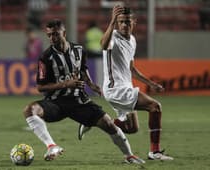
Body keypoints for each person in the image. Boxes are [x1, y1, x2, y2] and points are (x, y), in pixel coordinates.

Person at [23, 19, 145, 164]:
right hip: (55, 103)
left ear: (64, 33)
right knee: (30, 110)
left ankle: (129, 156)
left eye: (55, 34)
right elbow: (41, 87)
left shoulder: (79, 50)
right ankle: (52, 146)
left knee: (109, 124)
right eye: (49, 35)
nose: (52, 38)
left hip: (79, 102)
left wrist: (91, 84)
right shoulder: (46, 57)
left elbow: (82, 69)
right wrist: (66, 84)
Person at [78, 6, 174, 161]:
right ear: (117, 23)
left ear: (133, 22)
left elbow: (132, 69)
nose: (124, 25)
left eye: (127, 22)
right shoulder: (113, 38)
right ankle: (154, 152)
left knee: (132, 128)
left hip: (125, 88)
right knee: (155, 107)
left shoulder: (133, 40)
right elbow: (102, 45)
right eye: (121, 22)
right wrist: (111, 21)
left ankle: (95, 121)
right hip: (116, 89)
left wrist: (151, 83)